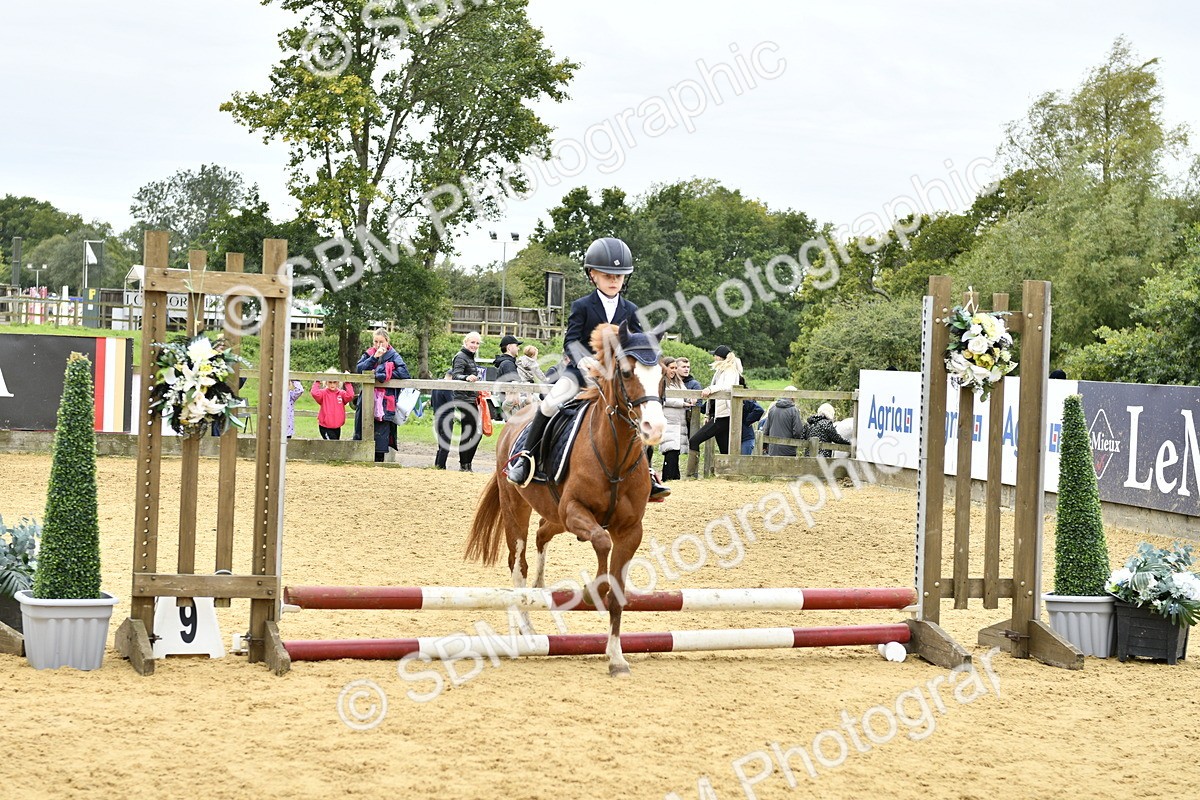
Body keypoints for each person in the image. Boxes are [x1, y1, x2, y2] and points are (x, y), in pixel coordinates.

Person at [505, 237, 669, 501]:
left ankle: (647, 471)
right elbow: (571, 339)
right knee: (549, 404)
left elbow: (637, 344)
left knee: (641, 413)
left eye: (619, 276)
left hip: (616, 378)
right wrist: (581, 359)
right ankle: (526, 459)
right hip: (581, 373)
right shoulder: (582, 306)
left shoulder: (631, 309)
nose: (613, 280)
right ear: (593, 275)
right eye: (607, 275)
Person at [355, 328, 411, 462]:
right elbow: (360, 369)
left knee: (382, 430)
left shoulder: (394, 355)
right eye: (375, 341)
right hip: (368, 398)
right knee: (363, 425)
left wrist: (385, 374)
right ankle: (362, 459)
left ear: (387, 341)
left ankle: (379, 460)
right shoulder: (369, 353)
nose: (378, 345)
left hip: (386, 400)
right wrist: (374, 358)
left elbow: (404, 373)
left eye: (381, 342)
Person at [688, 345, 742, 455]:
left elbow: (727, 386)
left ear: (719, 357)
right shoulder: (721, 371)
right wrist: (708, 414)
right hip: (718, 414)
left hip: (723, 414)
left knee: (694, 440)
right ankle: (727, 471)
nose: (714, 358)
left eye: (715, 356)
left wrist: (710, 389)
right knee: (724, 449)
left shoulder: (730, 371)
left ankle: (691, 471)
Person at [447, 331, 484, 472]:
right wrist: (467, 377)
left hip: (470, 398)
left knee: (473, 432)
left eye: (477, 343)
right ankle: (465, 464)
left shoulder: (469, 357)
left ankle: (466, 464)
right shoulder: (461, 357)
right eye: (472, 342)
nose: (475, 345)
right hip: (463, 398)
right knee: (470, 432)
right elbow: (456, 375)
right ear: (466, 342)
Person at [659, 357, 690, 481]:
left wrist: (690, 400)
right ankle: (668, 477)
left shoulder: (678, 383)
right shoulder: (661, 382)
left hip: (679, 420)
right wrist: (681, 403)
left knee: (676, 450)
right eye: (671, 368)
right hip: (668, 420)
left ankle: (675, 477)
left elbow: (686, 395)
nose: (674, 370)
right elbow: (664, 399)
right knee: (670, 449)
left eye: (675, 368)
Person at [763, 386, 809, 456]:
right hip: (788, 450)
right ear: (793, 396)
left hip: (773, 450)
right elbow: (798, 431)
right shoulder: (794, 410)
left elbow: (766, 430)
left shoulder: (772, 409)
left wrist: (764, 446)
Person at [311, 369, 355, 440]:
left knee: (335, 446)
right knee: (331, 445)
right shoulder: (323, 393)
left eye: (334, 382)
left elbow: (350, 395)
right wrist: (317, 380)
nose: (332, 384)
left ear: (338, 383)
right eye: (330, 382)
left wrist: (347, 381)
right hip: (325, 426)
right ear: (326, 383)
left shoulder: (341, 393)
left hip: (337, 427)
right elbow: (314, 393)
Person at [493, 334, 522, 416]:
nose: (518, 348)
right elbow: (513, 385)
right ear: (509, 347)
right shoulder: (507, 364)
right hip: (512, 406)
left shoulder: (506, 362)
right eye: (516, 346)